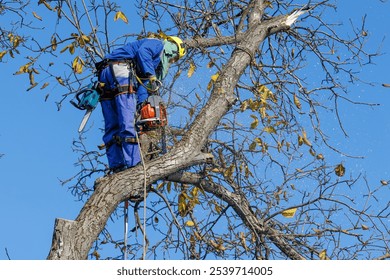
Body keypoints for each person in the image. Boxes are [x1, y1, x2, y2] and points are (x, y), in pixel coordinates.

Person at [97, 35, 186, 173]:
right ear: (173, 48)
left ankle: (117, 165)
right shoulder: (157, 44)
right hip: (121, 70)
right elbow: (143, 52)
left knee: (112, 125)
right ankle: (134, 164)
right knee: (128, 121)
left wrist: (142, 104)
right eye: (174, 58)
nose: (172, 61)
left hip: (104, 74)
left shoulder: (143, 65)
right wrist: (152, 76)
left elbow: (144, 86)